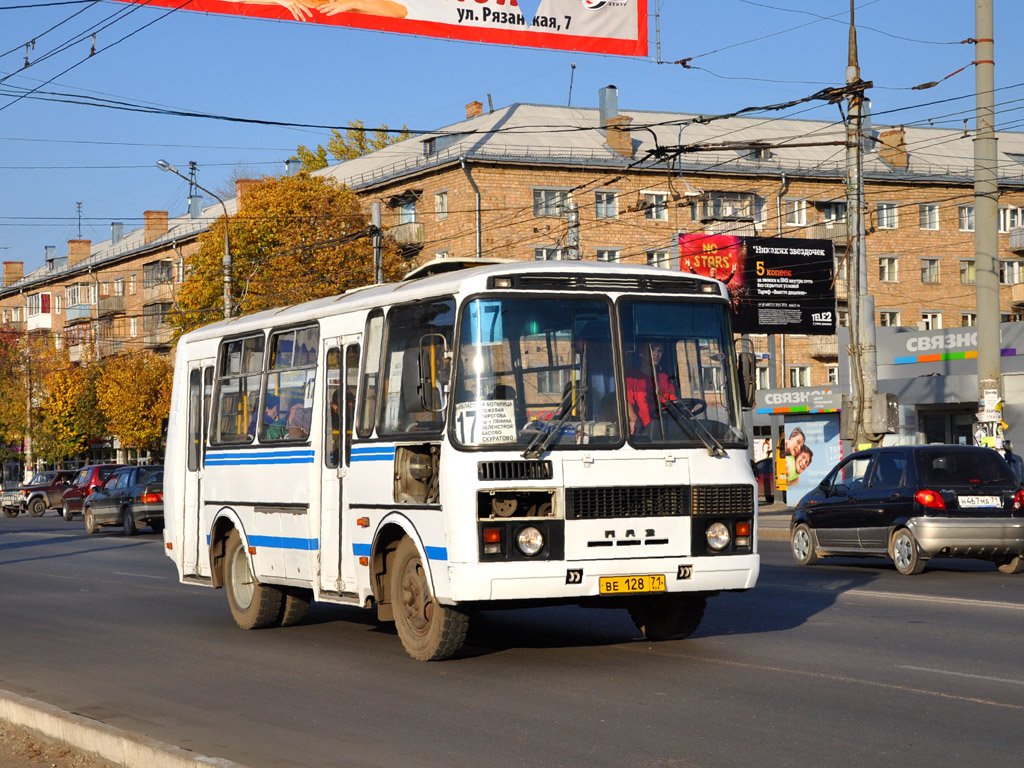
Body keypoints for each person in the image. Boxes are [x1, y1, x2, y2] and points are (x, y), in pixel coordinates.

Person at [625, 341, 676, 434]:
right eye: (652, 349)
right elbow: (626, 402)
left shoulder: (664, 378)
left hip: (666, 429)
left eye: (659, 351)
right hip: (642, 431)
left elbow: (674, 403)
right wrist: (632, 417)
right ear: (641, 353)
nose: (656, 354)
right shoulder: (631, 377)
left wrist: (685, 410)